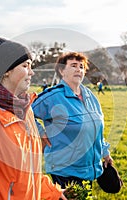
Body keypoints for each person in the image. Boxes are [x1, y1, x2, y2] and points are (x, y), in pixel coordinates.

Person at [0, 36, 67, 200]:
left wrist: (52, 193)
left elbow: (30, 170)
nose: (32, 72)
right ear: (6, 71)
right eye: (25, 66)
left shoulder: (26, 109)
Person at [32, 52, 113, 189]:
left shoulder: (90, 96)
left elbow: (96, 130)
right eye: (73, 65)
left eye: (81, 67)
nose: (78, 69)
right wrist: (40, 132)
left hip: (88, 169)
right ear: (62, 70)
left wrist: (105, 153)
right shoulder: (53, 96)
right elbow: (24, 112)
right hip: (64, 170)